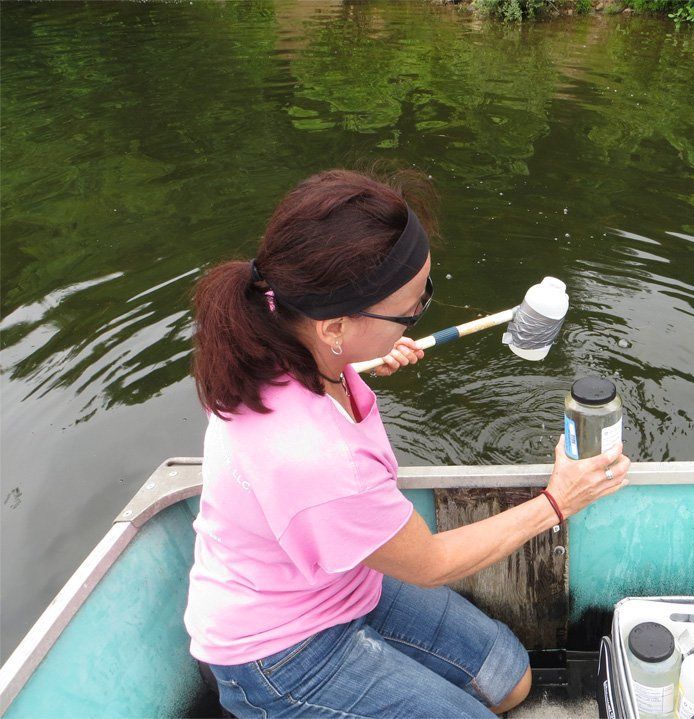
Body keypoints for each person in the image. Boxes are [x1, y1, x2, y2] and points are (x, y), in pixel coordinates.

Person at [183, 168, 632, 718]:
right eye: (409, 311)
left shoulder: (280, 325)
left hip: (348, 581)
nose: (418, 318)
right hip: (277, 652)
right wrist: (558, 502)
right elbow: (430, 563)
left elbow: (319, 414)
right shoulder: (314, 457)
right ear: (334, 325)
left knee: (509, 680)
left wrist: (353, 360)